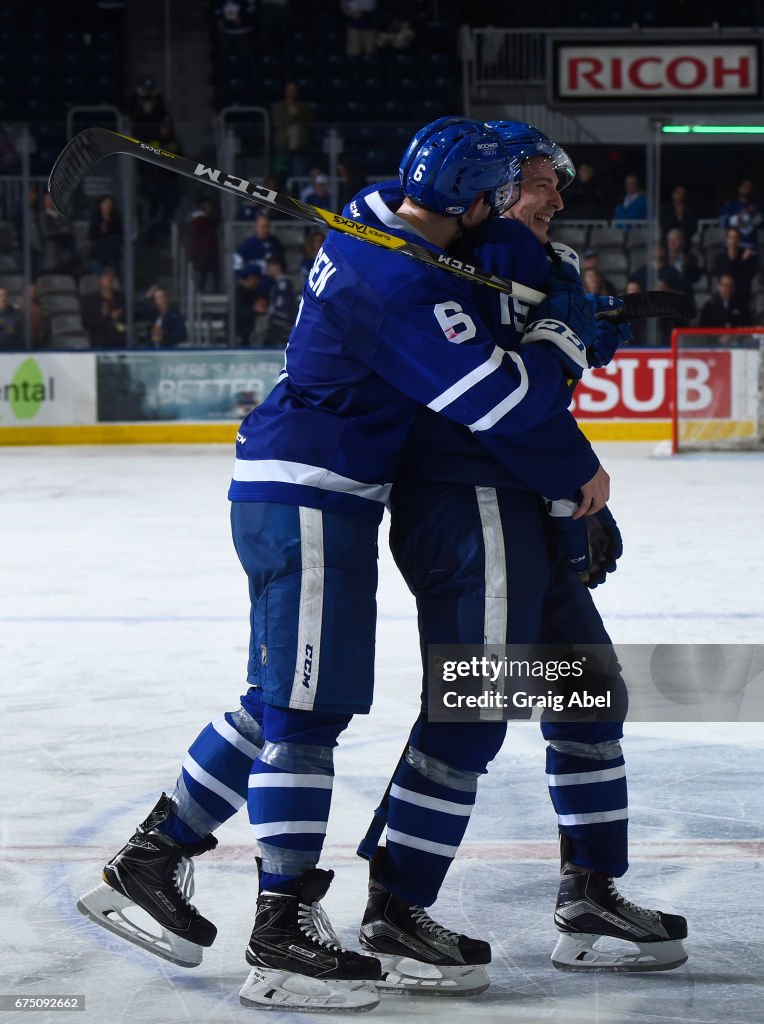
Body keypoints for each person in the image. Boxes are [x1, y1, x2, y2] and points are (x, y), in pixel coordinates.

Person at [75, 117, 603, 1013]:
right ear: (474, 204)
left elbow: (410, 235)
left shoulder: (372, 217)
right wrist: (560, 331)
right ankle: (280, 931)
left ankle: (152, 858)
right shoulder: (397, 281)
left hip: (307, 489)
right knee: (308, 711)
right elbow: (504, 401)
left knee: (277, 699)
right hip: (314, 492)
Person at [377, 119, 686, 978]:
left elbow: (540, 359)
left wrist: (593, 321)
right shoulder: (492, 249)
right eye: (544, 178)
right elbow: (509, 403)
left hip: (523, 506)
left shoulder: (518, 255)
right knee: (473, 705)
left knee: (590, 693)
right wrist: (576, 476)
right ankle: (396, 908)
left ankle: (590, 892)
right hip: (472, 502)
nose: (559, 194)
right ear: (496, 186)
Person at [233, 212, 286, 345]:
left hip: (271, 288)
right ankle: (242, 340)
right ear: (256, 227)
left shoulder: (275, 243)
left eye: (267, 226)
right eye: (262, 226)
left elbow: (282, 264)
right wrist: (243, 280)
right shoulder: (248, 244)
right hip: (252, 290)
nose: (265, 229)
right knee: (242, 307)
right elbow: (237, 263)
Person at [711, 226, 757, 313]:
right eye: (731, 237)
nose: (733, 240)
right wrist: (742, 261)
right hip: (725, 296)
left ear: (739, 240)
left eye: (736, 237)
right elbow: (726, 273)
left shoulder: (747, 257)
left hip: (742, 296)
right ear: (726, 239)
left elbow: (751, 274)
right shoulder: (720, 258)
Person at [81, 268, 125, 347]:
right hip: (99, 342)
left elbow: (127, 321)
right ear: (99, 280)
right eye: (105, 276)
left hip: (120, 341)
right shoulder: (90, 299)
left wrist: (118, 317)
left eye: (111, 277)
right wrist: (106, 317)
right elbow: (87, 323)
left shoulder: (121, 297)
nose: (108, 279)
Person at [719, 179, 764, 251]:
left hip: (749, 246)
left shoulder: (757, 206)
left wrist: (753, 215)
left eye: (749, 186)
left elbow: (763, 224)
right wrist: (737, 218)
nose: (747, 188)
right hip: (731, 246)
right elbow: (723, 222)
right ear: (739, 188)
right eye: (744, 186)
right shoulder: (730, 205)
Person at [88, 195, 122, 275]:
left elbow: (119, 236)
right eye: (105, 203)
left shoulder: (116, 219)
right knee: (96, 277)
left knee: (111, 277)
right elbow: (91, 236)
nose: (107, 206)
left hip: (112, 254)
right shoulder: (95, 219)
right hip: (97, 255)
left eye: (109, 203)